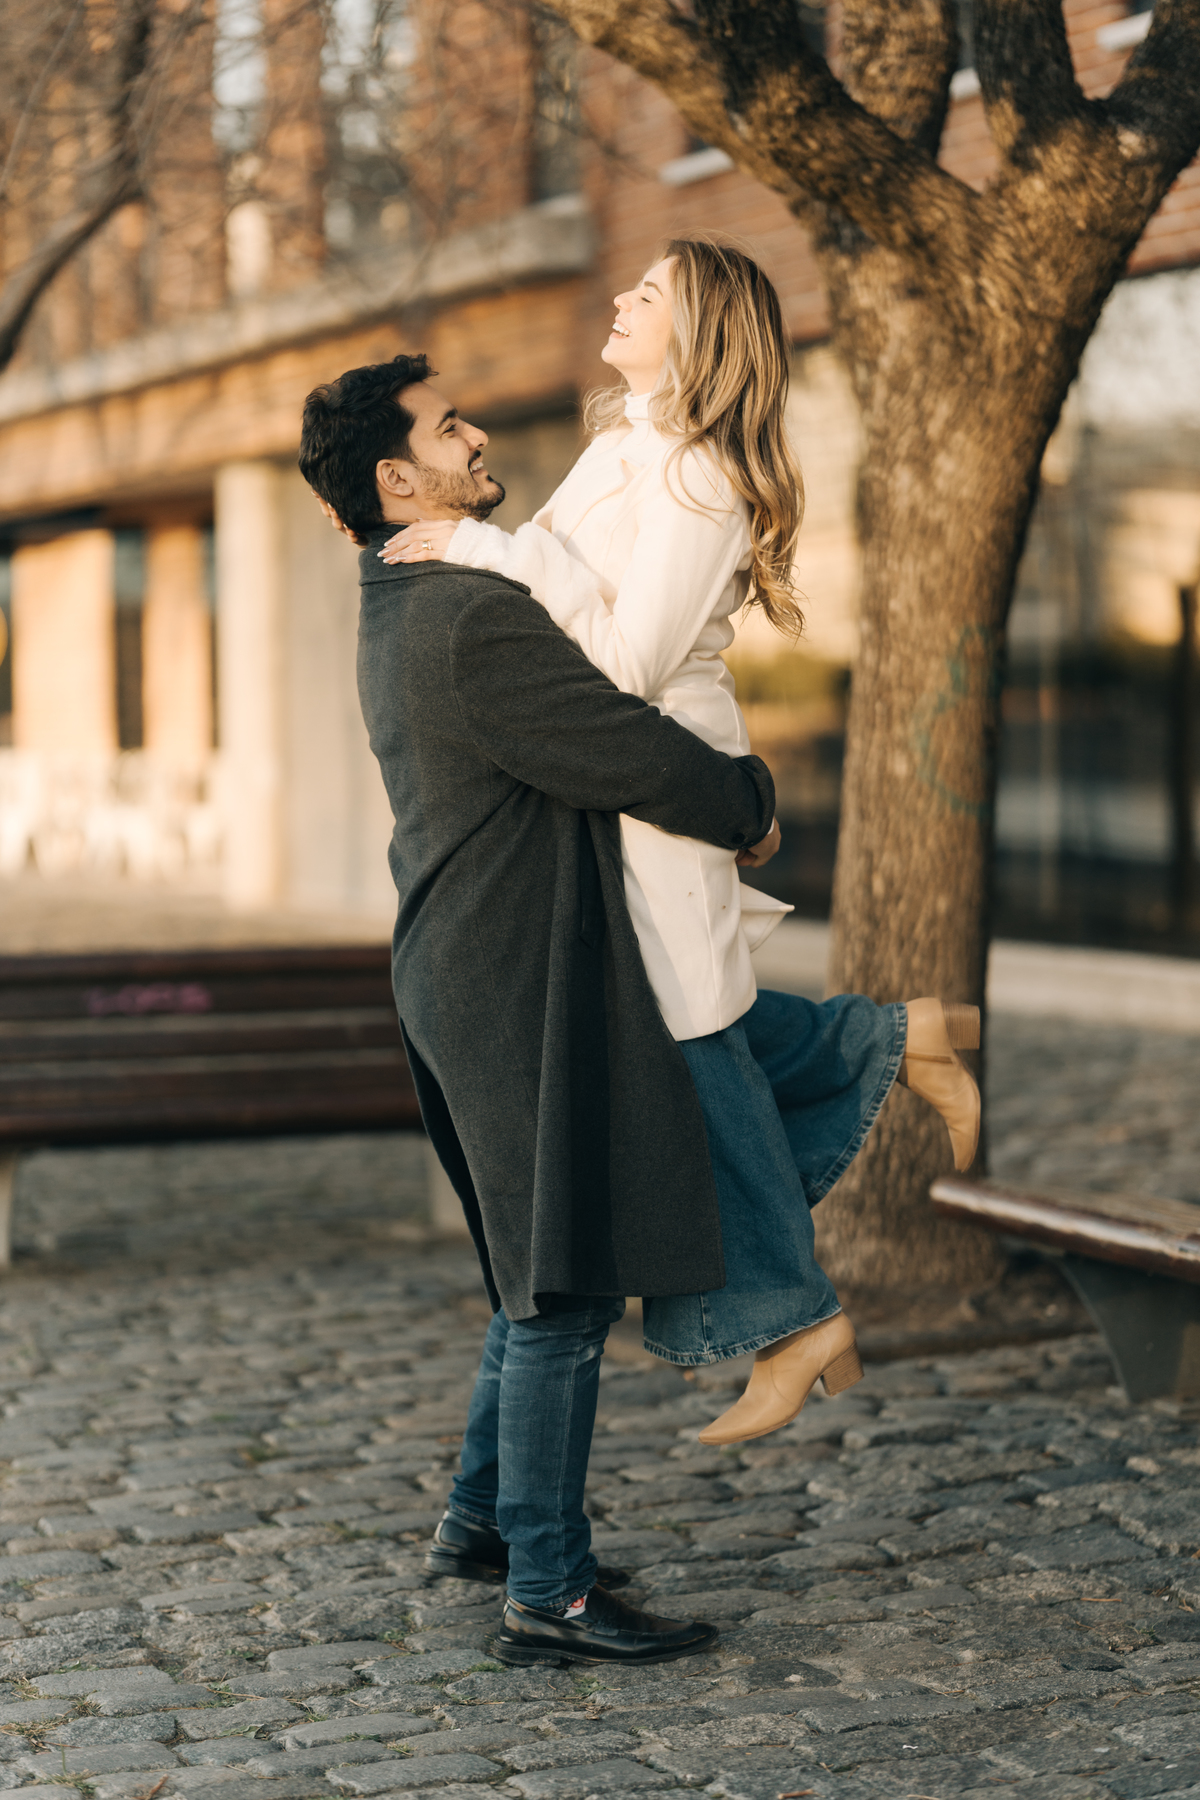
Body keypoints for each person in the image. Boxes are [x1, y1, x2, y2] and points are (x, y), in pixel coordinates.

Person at [374, 239, 982, 1446]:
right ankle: (900, 1042)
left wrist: (488, 549)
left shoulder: (704, 478)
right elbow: (544, 605)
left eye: (646, 294)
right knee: (689, 1025)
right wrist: (489, 563)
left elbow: (624, 666)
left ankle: (800, 1318)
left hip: (661, 784)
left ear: (698, 332)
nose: (619, 299)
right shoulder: (619, 449)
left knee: (690, 1049)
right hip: (613, 790)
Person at [298, 352, 781, 1667]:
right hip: (507, 981)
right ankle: (551, 1591)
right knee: (559, 1287)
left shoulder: (412, 597)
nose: (476, 431)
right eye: (450, 426)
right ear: (401, 479)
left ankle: (482, 1523)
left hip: (476, 968)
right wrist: (751, 802)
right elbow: (619, 742)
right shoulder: (463, 617)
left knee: (533, 1267)